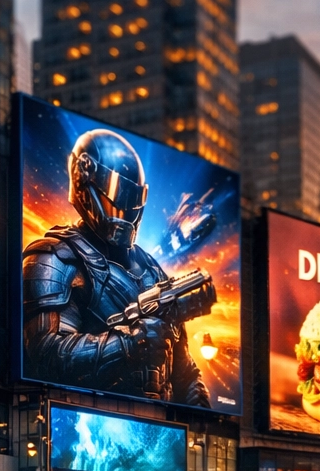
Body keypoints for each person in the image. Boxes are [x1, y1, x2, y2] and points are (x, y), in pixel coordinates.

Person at [19, 127, 211, 405]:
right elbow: (47, 355)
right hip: (84, 421)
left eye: (134, 199)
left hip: (163, 430)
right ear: (84, 180)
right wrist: (129, 344)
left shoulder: (152, 271)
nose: (126, 209)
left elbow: (184, 371)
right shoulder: (55, 256)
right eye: (118, 195)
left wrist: (199, 416)